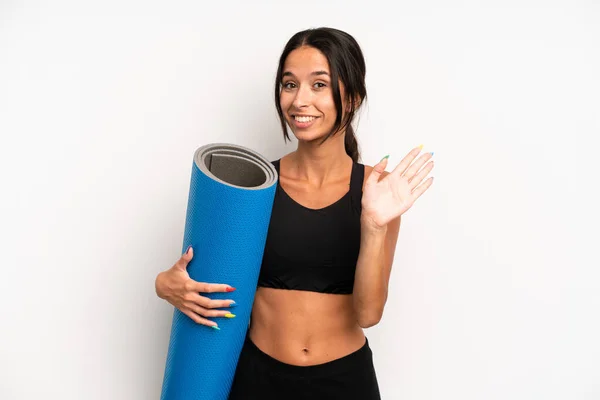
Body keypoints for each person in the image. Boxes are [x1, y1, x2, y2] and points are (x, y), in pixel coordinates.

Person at [155, 27, 434, 399]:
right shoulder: (254, 187)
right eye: (289, 85)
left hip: (344, 382)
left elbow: (368, 314)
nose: (300, 100)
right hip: (258, 379)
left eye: (318, 85)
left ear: (351, 98)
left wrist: (373, 225)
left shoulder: (377, 191)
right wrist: (165, 285)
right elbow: (200, 280)